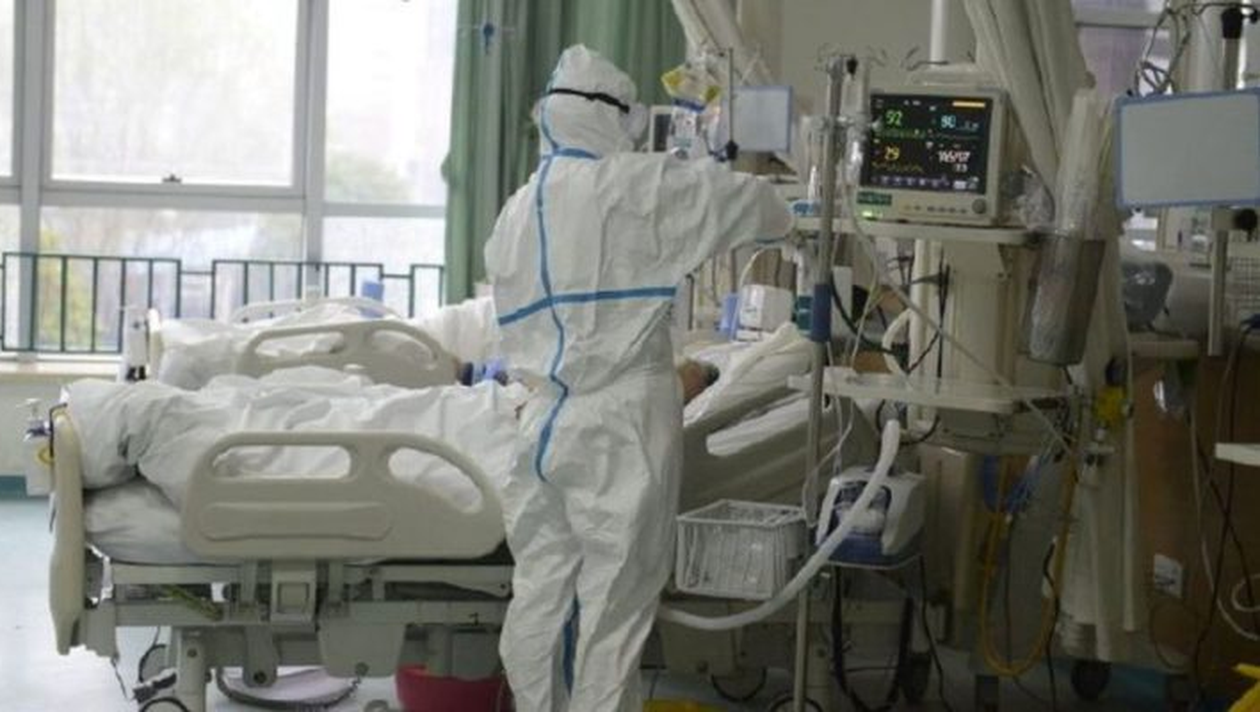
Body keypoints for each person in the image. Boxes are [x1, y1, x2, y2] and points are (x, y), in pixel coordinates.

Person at [484, 45, 793, 712]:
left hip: (543, 421)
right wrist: (795, 205)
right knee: (614, 609)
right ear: (613, 116)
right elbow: (759, 207)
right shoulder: (635, 185)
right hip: (620, 424)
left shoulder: (516, 210)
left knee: (539, 595)